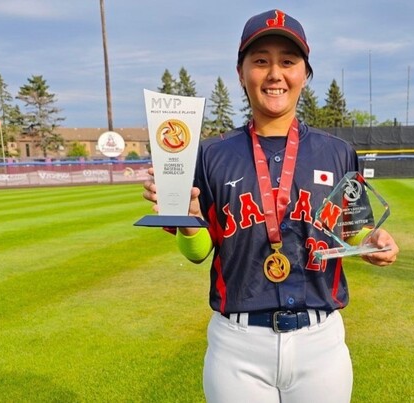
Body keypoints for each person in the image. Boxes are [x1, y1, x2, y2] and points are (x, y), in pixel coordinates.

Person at [142, 9, 399, 402]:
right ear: (241, 72)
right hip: (237, 345)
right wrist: (190, 225)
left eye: (288, 61)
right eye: (260, 61)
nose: (275, 73)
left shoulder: (337, 152)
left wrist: (374, 240)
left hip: (321, 342)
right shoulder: (210, 156)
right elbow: (197, 252)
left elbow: (350, 231)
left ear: (304, 74)